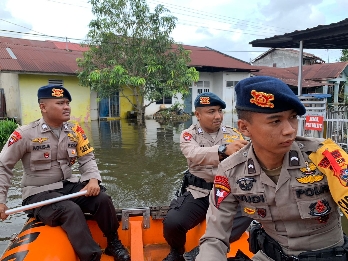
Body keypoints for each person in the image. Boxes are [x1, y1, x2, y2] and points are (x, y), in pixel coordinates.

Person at [196, 76, 348, 261]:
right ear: (244, 128)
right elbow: (215, 238)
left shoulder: (325, 157)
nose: (290, 130)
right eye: (276, 121)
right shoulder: (231, 171)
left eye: (292, 118)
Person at [0, 84, 130, 261]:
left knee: (102, 199)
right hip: (38, 193)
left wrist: (92, 180)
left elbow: (87, 158)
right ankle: (92, 257)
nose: (66, 107)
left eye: (67, 103)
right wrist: (1, 201)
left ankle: (114, 244)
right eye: (60, 103)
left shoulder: (74, 131)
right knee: (70, 210)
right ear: (43, 107)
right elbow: (3, 166)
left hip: (66, 186)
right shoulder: (25, 134)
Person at [162, 92, 253, 261]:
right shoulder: (189, 135)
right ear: (198, 115)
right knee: (172, 223)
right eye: (211, 111)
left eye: (220, 111)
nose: (218, 116)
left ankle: (199, 251)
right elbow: (194, 154)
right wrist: (223, 150)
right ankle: (176, 252)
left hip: (227, 192)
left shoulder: (234, 134)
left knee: (251, 211)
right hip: (199, 192)